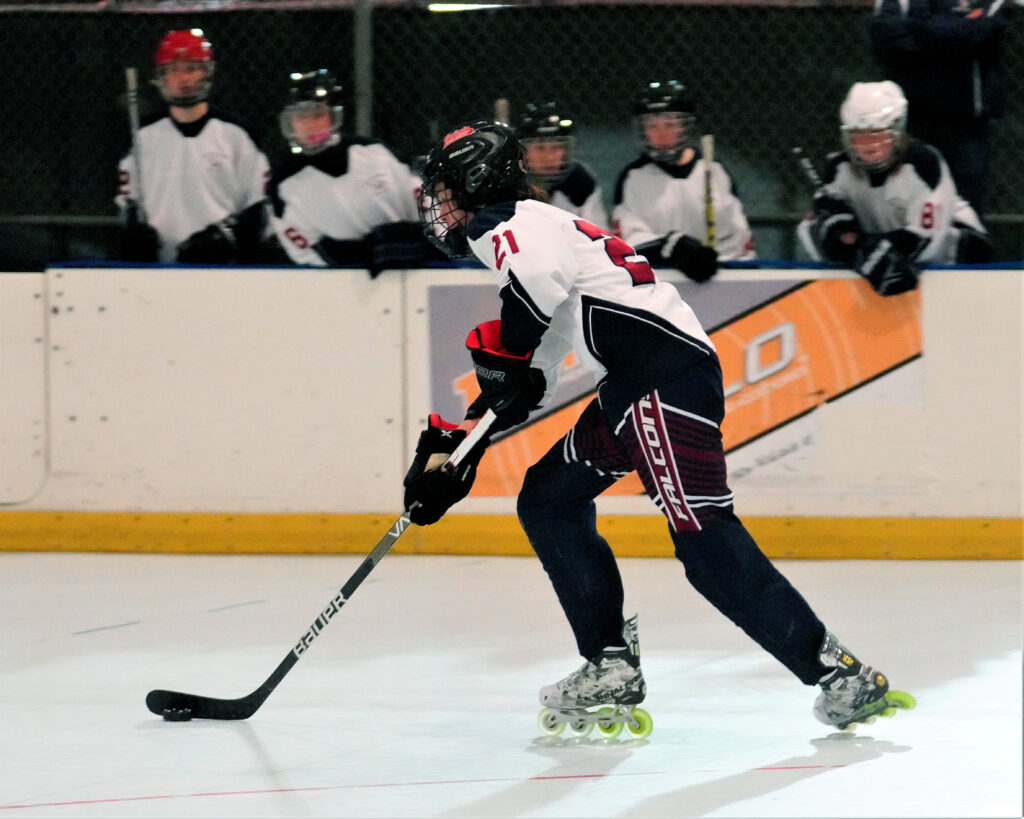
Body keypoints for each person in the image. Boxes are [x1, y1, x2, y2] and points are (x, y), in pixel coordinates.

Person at [403, 120, 915, 735]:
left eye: (447, 191)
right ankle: (609, 661)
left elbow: (532, 301)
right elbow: (540, 355)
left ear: (477, 181)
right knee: (549, 500)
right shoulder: (539, 225)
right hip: (637, 382)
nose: (442, 208)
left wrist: (505, 370)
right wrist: (466, 443)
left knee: (704, 541)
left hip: (658, 379)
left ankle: (839, 674)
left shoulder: (502, 224)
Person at [798, 81, 993, 296]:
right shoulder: (838, 169)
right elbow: (833, 225)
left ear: (897, 131)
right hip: (875, 262)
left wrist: (885, 251)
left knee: (966, 243)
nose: (868, 146)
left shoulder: (923, 163)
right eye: (859, 137)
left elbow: (929, 236)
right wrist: (857, 248)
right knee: (809, 229)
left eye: (877, 135)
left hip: (949, 259)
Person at [115, 29, 270, 264]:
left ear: (206, 73)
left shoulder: (236, 134)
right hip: (158, 269)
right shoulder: (143, 137)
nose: (183, 79)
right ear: (162, 76)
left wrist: (228, 240)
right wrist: (134, 233)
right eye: (174, 69)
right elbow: (130, 204)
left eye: (191, 69)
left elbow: (257, 204)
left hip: (221, 269)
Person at [267, 69, 434, 275]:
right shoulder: (283, 187)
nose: (309, 125)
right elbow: (311, 255)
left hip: (419, 275)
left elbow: (429, 211)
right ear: (289, 121)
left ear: (333, 115)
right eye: (301, 117)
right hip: (345, 290)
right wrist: (365, 253)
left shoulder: (375, 154)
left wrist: (412, 241)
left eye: (318, 115)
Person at [870, 0, 1008, 216]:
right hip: (911, 124)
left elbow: (979, 34)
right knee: (907, 208)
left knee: (964, 212)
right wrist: (954, 33)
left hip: (967, 125)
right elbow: (887, 39)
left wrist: (916, 27)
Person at [611, 81, 755, 284]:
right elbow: (627, 241)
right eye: (652, 125)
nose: (660, 133)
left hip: (715, 282)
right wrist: (670, 248)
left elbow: (737, 236)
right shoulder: (634, 177)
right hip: (655, 282)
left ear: (684, 126)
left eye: (670, 124)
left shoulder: (714, 171)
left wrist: (718, 264)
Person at [516, 102, 609, 229]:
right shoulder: (512, 184)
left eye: (556, 147)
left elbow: (599, 234)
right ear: (523, 151)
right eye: (540, 148)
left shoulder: (580, 183)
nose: (549, 157)